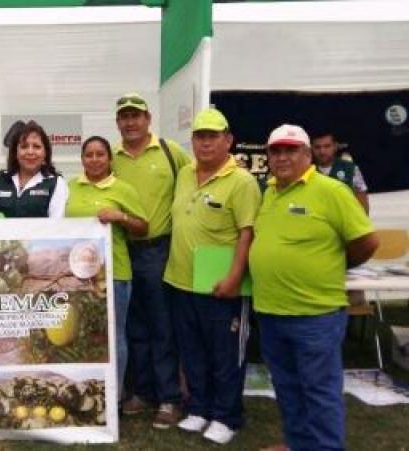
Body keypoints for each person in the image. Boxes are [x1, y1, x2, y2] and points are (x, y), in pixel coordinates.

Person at [250, 124, 378, 451]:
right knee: (288, 388)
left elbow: (366, 241)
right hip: (271, 310)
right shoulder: (268, 192)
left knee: (319, 391)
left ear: (307, 155)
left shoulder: (331, 190)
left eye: (290, 150)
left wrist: (333, 265)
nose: (282, 157)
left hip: (315, 314)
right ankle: (298, 443)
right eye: (275, 151)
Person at [164, 109, 261, 444]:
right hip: (181, 280)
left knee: (225, 353)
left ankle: (227, 415)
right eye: (199, 136)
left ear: (228, 140)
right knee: (192, 351)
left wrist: (236, 277)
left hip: (222, 285)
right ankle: (200, 409)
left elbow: (248, 233)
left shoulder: (243, 182)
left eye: (212, 136)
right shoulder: (186, 173)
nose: (205, 143)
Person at [111, 92, 191, 428]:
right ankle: (142, 392)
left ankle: (169, 398)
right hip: (121, 250)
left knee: (162, 326)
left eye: (136, 115)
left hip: (158, 249)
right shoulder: (111, 157)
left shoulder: (171, 153)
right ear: (118, 122)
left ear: (148, 120)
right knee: (133, 327)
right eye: (124, 117)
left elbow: (198, 180)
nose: (131, 122)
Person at [64, 135, 148, 395]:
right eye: (89, 154)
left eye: (100, 154)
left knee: (114, 335)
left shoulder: (123, 190)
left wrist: (120, 216)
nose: (94, 159)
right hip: (76, 276)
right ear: (82, 159)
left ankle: (115, 396)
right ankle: (84, 389)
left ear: (110, 159)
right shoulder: (70, 187)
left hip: (114, 273)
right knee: (82, 334)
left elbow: (143, 227)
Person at [0, 120, 69, 218]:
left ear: (45, 153)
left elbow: (56, 225)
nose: (30, 152)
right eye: (24, 146)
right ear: (15, 152)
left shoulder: (56, 183)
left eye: (36, 147)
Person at [311, 131, 369, 213]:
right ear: (311, 149)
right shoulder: (306, 170)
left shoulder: (350, 168)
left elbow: (361, 198)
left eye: (327, 146)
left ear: (335, 146)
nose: (322, 151)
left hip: (345, 221)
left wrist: (363, 221)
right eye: (317, 147)